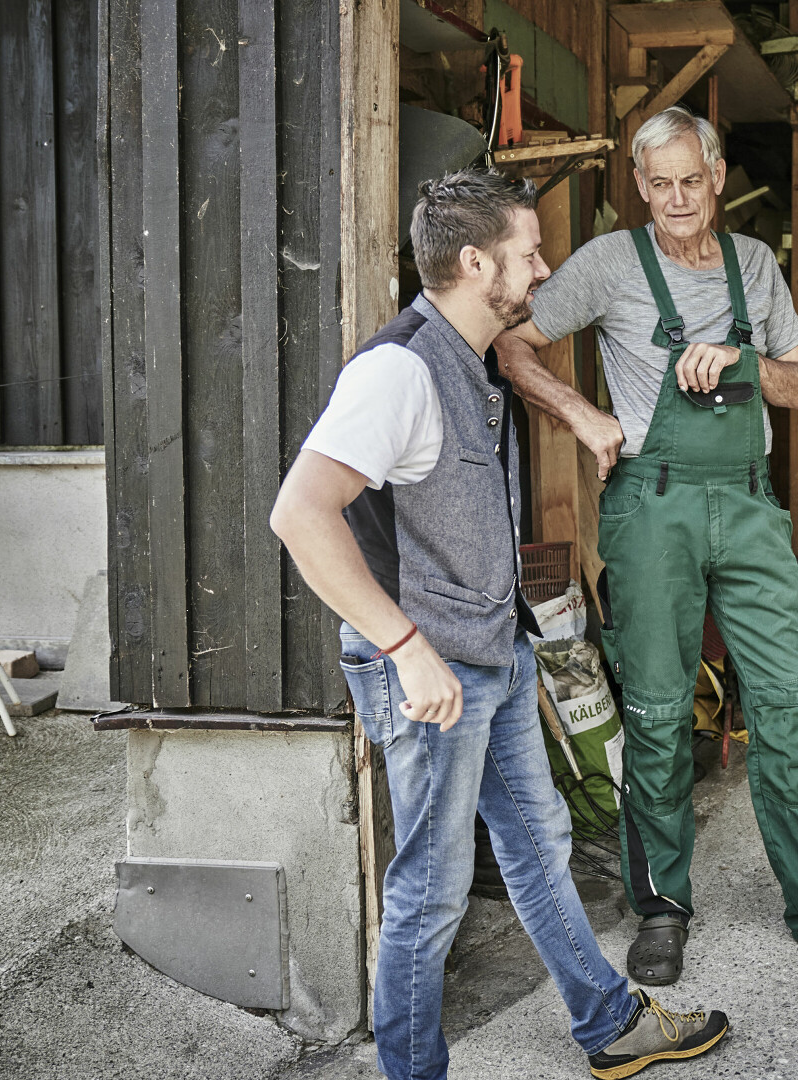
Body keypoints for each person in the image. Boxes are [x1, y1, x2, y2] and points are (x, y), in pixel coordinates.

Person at [270, 169, 729, 1080]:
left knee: (538, 843)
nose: (543, 267)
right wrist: (404, 650)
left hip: (494, 655)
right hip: (433, 673)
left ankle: (607, 1025)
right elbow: (300, 514)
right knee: (431, 896)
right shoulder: (398, 368)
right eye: (528, 254)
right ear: (475, 261)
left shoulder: (470, 356)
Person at [495, 106, 798, 986]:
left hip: (751, 505)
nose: (679, 198)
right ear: (640, 188)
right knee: (655, 713)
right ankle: (663, 908)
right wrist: (583, 413)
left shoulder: (754, 264)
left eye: (693, 180)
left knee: (794, 709)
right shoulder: (610, 264)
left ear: (719, 178)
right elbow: (512, 342)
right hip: (653, 508)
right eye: (660, 184)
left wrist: (742, 361)